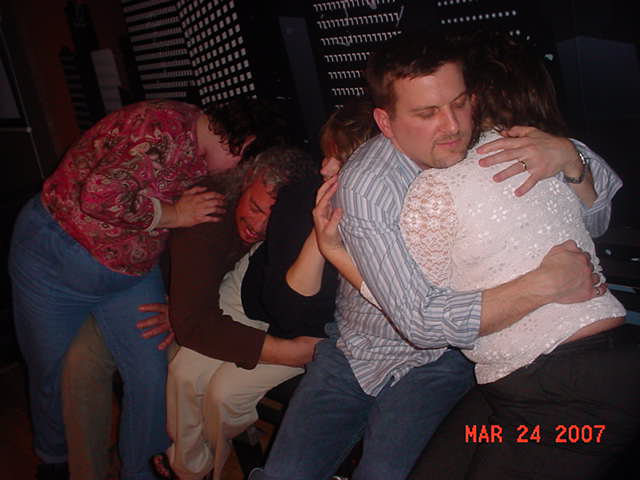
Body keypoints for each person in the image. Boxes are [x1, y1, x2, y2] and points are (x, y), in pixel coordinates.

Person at [249, 32, 621, 480]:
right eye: (427, 113)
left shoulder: (487, 139)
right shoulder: (370, 185)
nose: (452, 126)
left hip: (446, 359)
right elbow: (420, 320)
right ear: (386, 122)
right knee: (283, 475)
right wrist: (545, 283)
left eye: (459, 103)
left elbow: (595, 221)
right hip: (360, 347)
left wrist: (571, 158)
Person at [8, 97, 285, 480]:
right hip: (55, 261)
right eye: (244, 163)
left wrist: (182, 301)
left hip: (130, 273)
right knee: (50, 370)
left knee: (153, 373)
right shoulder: (162, 128)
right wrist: (173, 214)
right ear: (242, 143)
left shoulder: (201, 151)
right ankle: (53, 457)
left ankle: (141, 471)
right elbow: (98, 196)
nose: (240, 173)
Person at [404, 33, 636, 479]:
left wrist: (572, 160)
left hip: (566, 392)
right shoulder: (526, 155)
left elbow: (418, 309)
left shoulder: (551, 154)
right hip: (520, 383)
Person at [152, 100, 379, 480]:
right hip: (256, 301)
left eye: (337, 160)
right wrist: (182, 305)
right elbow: (207, 316)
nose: (325, 167)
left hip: (305, 326)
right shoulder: (290, 198)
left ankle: (203, 461)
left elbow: (304, 315)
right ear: (244, 184)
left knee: (223, 395)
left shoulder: (384, 221)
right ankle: (189, 468)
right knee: (184, 372)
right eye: (326, 156)